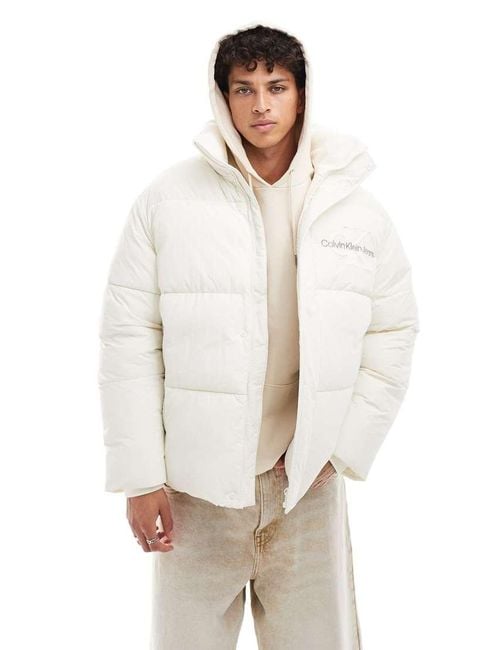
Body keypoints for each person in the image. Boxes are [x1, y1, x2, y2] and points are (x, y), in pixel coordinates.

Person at [97, 21, 420, 649]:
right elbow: (128, 340)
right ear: (223, 98)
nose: (261, 105)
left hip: (306, 486)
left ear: (302, 94)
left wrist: (343, 448)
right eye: (243, 89)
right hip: (194, 490)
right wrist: (140, 478)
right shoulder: (166, 201)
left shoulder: (355, 211)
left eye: (277, 86)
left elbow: (393, 331)